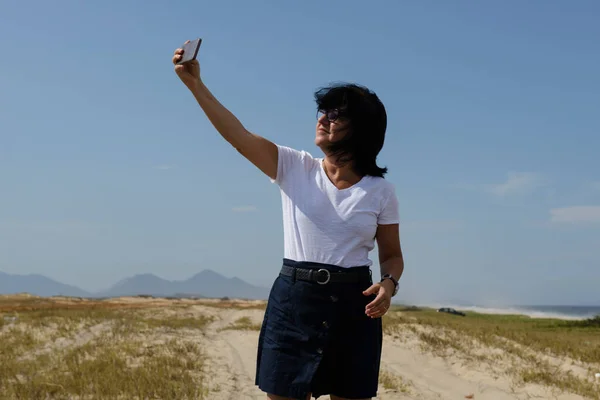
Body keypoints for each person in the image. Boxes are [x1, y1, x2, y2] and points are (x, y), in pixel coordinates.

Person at [172, 41, 404, 400]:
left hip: (354, 305)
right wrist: (195, 85)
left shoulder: (380, 191)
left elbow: (392, 255)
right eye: (322, 112)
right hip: (294, 301)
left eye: (336, 114)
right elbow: (238, 136)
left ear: (362, 128)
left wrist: (388, 285)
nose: (323, 118)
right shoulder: (294, 166)